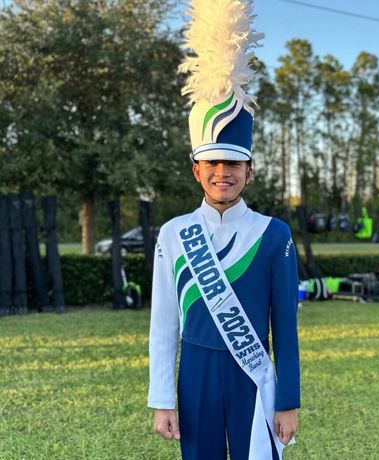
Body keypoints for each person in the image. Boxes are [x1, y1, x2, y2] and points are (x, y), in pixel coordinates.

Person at [147, 1, 300, 459]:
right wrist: (161, 399)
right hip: (194, 375)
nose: (222, 172)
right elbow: (164, 324)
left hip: (253, 375)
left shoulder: (275, 234)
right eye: (212, 162)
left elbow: (285, 327)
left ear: (249, 172)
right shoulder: (174, 233)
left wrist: (288, 401)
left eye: (233, 163)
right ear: (196, 170)